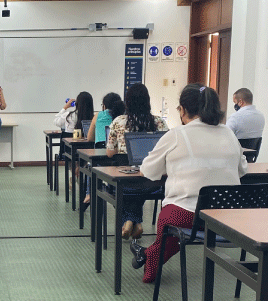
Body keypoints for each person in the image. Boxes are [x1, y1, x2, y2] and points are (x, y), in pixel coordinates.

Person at [130, 85, 247, 282]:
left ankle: (149, 257)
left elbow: (148, 171)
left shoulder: (176, 135)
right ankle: (148, 255)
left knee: (170, 219)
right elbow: (242, 170)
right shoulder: (228, 133)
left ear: (183, 110)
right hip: (228, 216)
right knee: (175, 224)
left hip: (189, 215)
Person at [106, 83, 168, 240]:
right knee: (139, 187)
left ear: (127, 101)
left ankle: (129, 221)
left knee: (115, 189)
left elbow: (109, 152)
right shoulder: (160, 122)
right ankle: (135, 222)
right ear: (147, 101)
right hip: (153, 182)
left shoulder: (118, 121)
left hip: (124, 178)